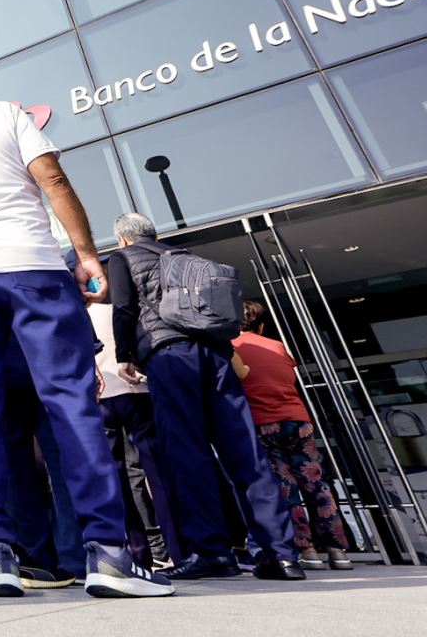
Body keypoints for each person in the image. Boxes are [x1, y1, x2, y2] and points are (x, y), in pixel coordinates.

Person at [0, 62, 170, 600]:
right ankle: (110, 556)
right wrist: (87, 253)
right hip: (33, 267)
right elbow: (54, 180)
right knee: (69, 402)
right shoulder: (6, 115)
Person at [106, 213, 301, 581]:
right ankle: (280, 555)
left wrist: (123, 355)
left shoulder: (124, 258)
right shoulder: (187, 257)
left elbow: (125, 307)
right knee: (246, 453)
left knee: (187, 453)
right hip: (217, 355)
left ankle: (211, 551)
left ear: (123, 239)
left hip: (169, 356)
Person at [231, 303, 352, 571]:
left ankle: (306, 549)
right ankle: (337, 550)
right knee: (316, 482)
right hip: (298, 419)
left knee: (284, 485)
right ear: (261, 325)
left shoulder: (231, 348)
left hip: (262, 422)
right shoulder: (277, 346)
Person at [90, 300, 177, 569]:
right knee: (158, 472)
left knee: (116, 479)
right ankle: (179, 547)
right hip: (137, 391)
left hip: (101, 398)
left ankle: (137, 553)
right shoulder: (119, 309)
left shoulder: (73, 315)